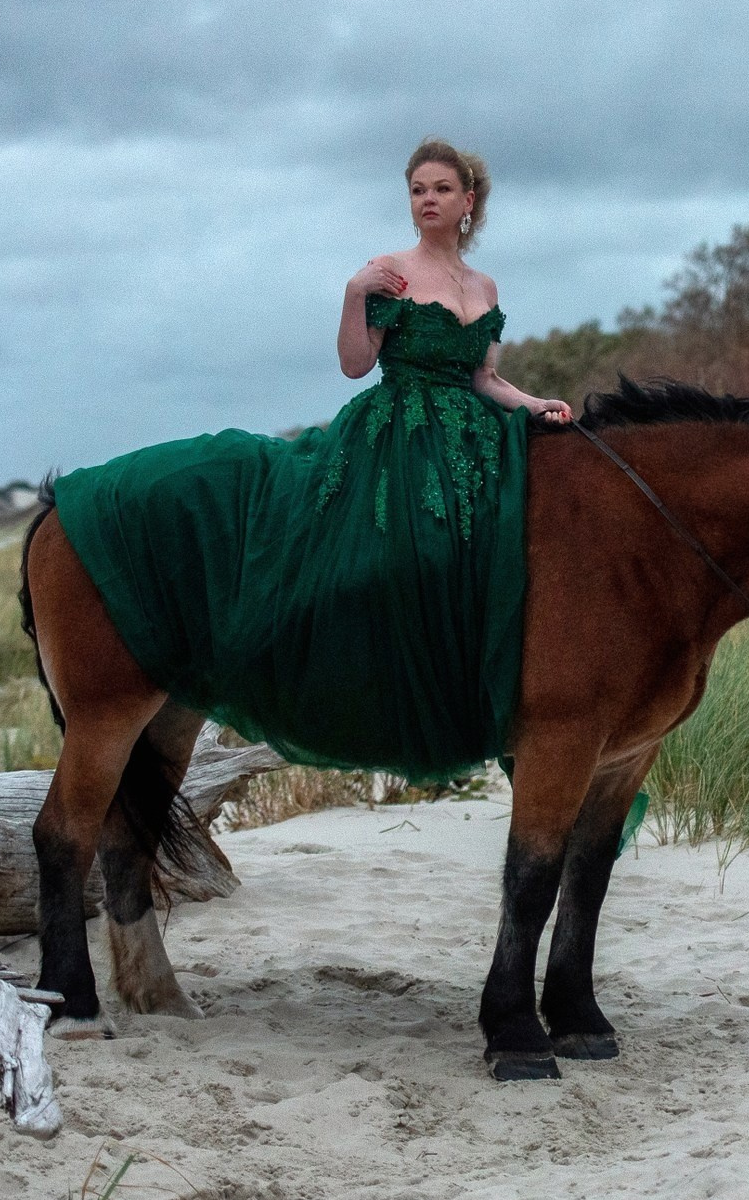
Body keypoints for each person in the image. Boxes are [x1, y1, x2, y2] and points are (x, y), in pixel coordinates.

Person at [47, 138, 567, 778]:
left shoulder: (484, 286)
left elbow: (485, 380)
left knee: (505, 561)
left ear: (469, 200)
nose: (426, 200)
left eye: (440, 189)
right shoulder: (389, 270)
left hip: (471, 440)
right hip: (398, 434)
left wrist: (534, 403)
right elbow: (355, 365)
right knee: (397, 556)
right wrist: (354, 294)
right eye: (416, 190)